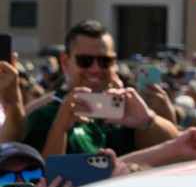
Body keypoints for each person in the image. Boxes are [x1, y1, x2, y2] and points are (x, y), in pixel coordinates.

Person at [23, 20, 180, 157]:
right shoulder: (46, 115)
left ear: (114, 62)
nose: (95, 69)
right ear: (65, 61)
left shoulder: (127, 108)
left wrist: (147, 121)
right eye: (85, 60)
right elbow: (40, 178)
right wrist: (59, 129)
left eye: (105, 61)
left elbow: (176, 151)